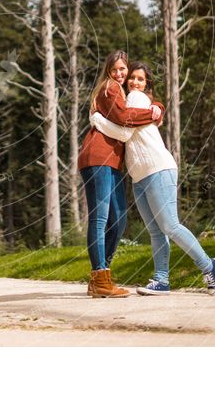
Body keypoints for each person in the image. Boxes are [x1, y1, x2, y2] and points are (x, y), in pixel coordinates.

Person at [90, 62, 215, 295]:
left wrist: (98, 119)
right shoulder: (132, 100)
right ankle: (161, 280)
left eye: (140, 79)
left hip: (158, 169)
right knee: (156, 231)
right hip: (140, 176)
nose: (134, 82)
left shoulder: (137, 99)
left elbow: (125, 130)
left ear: (146, 84)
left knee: (170, 225)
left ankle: (208, 265)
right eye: (132, 78)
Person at [77, 51, 164, 298]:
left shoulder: (124, 92)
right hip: (98, 158)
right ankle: (100, 276)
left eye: (122, 69)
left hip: (112, 162)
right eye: (115, 69)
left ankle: (101, 274)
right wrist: (152, 114)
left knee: (119, 219)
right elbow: (126, 119)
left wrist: (157, 106)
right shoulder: (110, 88)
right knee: (101, 219)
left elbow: (139, 105)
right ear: (108, 71)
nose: (120, 73)